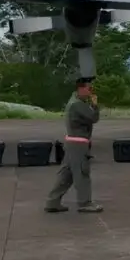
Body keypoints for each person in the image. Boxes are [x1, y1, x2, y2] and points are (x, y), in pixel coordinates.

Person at [45, 77, 103, 213]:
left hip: (72, 142)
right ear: (81, 89)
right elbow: (94, 118)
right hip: (78, 143)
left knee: (66, 174)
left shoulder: (75, 102)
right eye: (89, 89)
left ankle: (52, 201)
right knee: (82, 173)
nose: (91, 92)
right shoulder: (78, 104)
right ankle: (85, 203)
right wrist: (95, 105)